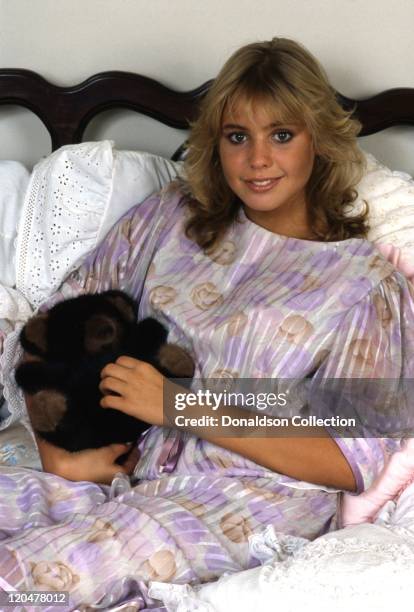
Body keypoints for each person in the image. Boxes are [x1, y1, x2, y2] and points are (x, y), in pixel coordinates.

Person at [0, 37, 413, 609]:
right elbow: (60, 323)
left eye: (282, 135)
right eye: (237, 136)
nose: (258, 160)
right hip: (114, 465)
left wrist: (177, 405)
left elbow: (349, 460)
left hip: (245, 498)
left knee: (25, 580)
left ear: (319, 140)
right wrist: (57, 452)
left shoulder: (366, 285)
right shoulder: (170, 217)